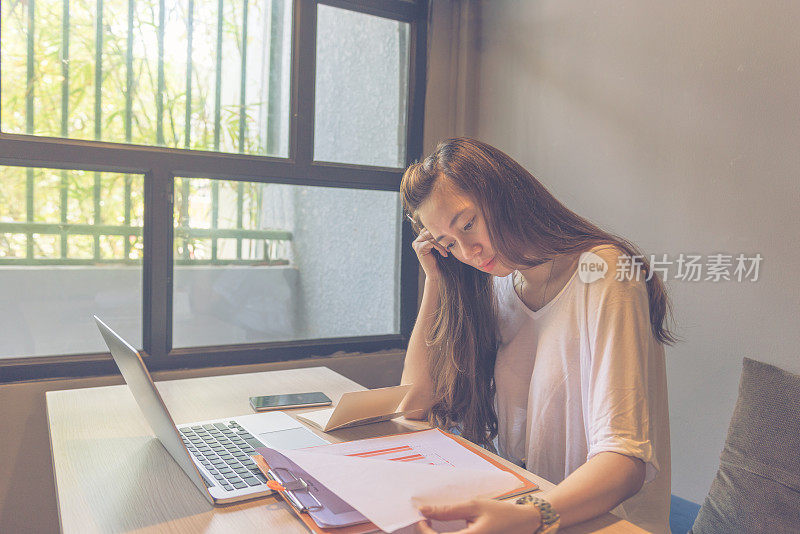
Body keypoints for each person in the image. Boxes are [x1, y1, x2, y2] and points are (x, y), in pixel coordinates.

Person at [399, 138, 672, 534]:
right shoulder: (500, 284)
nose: (469, 250)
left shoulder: (605, 272)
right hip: (524, 503)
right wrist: (435, 283)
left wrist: (529, 514)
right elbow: (413, 402)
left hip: (600, 521)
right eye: (448, 244)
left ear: (505, 194)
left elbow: (624, 463)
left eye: (468, 224)